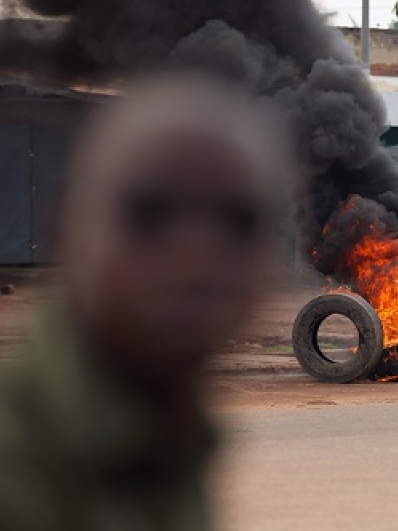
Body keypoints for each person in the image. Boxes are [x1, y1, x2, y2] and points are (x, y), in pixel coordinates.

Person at [0, 71, 286, 530]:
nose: (197, 261)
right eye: (149, 214)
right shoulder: (16, 472)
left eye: (239, 222)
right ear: (67, 229)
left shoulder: (168, 434)